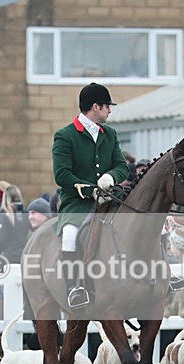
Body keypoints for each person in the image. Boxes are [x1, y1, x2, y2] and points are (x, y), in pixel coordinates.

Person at [51, 82, 130, 308]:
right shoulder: (65, 135)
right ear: (95, 107)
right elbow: (62, 174)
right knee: (70, 236)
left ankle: (159, 276)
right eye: (107, 106)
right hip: (77, 203)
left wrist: (110, 177)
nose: (110, 111)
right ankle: (74, 289)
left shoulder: (110, 134)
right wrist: (90, 189)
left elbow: (122, 166)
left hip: (110, 198)